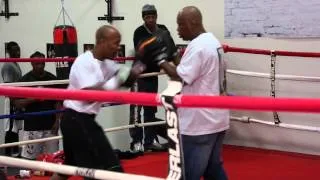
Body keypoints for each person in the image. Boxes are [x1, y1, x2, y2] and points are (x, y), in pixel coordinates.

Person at [136, 6, 230, 180]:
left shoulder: (198, 47)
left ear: (192, 23)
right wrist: (171, 55)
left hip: (200, 123)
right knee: (212, 169)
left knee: (185, 174)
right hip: (217, 118)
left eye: (181, 25)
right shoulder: (212, 42)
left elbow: (180, 77)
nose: (178, 30)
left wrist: (160, 59)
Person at [51, 25, 146, 180]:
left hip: (75, 120)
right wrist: (118, 80)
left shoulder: (107, 63)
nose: (118, 47)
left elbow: (126, 79)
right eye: (115, 43)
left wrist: (140, 64)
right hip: (78, 121)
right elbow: (88, 95)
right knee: (109, 168)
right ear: (101, 41)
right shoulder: (84, 62)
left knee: (69, 167)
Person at [130, 4, 175, 152]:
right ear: (143, 18)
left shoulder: (162, 29)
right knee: (136, 110)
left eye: (152, 16)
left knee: (151, 109)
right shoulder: (139, 31)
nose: (150, 19)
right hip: (139, 75)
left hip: (152, 75)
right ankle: (136, 142)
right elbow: (143, 51)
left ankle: (149, 141)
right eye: (147, 17)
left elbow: (170, 48)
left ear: (156, 16)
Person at [13, 51, 60, 160]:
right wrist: (34, 98)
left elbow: (58, 102)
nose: (40, 66)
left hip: (50, 126)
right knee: (29, 160)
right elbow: (17, 104)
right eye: (37, 64)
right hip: (32, 127)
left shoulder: (52, 79)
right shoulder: (24, 81)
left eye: (42, 63)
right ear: (31, 63)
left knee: (53, 160)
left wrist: (57, 121)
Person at [1, 41, 23, 157]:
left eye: (18, 49)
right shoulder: (8, 65)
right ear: (9, 52)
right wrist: (15, 102)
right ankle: (8, 155)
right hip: (11, 99)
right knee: (10, 127)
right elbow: (8, 85)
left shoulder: (15, 64)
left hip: (16, 99)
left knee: (15, 127)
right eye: (15, 50)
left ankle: (14, 152)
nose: (18, 52)